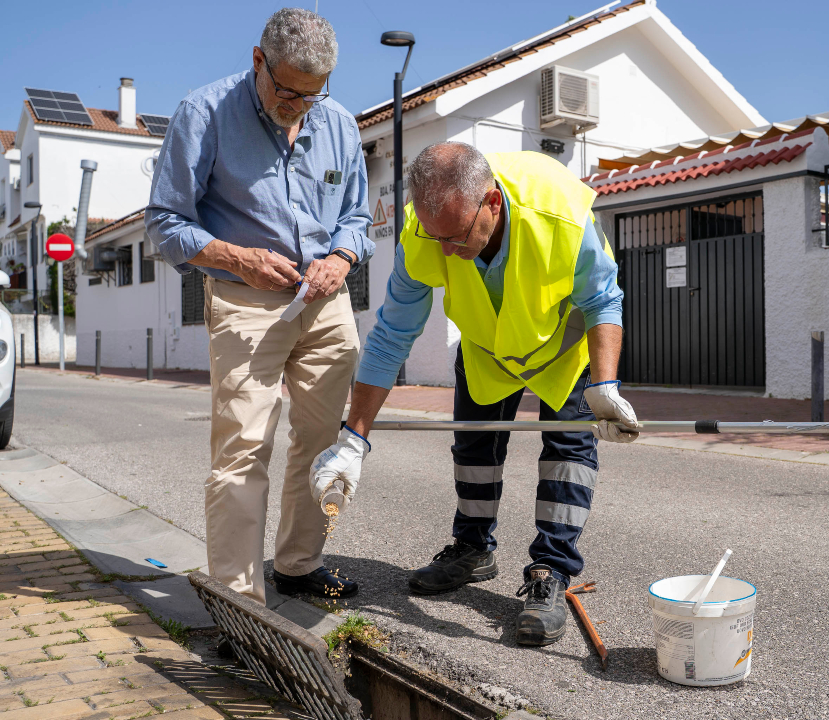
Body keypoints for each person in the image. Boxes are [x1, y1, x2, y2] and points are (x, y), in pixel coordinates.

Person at [311, 142, 639, 646]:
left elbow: (602, 298)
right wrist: (354, 437)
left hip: (561, 343)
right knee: (474, 448)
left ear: (491, 203)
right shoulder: (422, 230)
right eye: (434, 235)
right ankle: (472, 549)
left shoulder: (560, 210)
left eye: (456, 236)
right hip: (487, 346)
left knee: (568, 453)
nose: (444, 250)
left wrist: (606, 385)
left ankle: (551, 571)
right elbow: (392, 336)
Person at [146, 8, 372, 606]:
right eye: (287, 90)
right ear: (257, 60)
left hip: (325, 301)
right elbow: (163, 223)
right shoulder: (204, 114)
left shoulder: (341, 123)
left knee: (322, 441)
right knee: (243, 448)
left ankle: (299, 562)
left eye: (312, 96)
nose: (298, 105)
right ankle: (238, 601)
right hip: (245, 301)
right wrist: (233, 256)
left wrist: (343, 259)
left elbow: (357, 216)